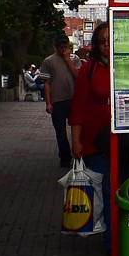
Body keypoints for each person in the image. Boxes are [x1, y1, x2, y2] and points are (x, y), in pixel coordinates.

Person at [70, 22, 114, 252]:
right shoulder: (90, 69)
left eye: (110, 40)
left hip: (125, 143)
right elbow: (78, 106)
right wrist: (75, 140)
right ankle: (111, 242)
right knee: (105, 189)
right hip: (95, 143)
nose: (107, 45)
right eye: (102, 42)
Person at [41, 34, 80, 167]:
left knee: (77, 128)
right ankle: (65, 157)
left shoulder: (74, 59)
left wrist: (68, 60)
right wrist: (48, 102)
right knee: (60, 131)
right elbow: (47, 83)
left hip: (74, 99)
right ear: (56, 46)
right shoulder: (49, 61)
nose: (63, 47)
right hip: (57, 100)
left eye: (65, 45)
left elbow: (78, 75)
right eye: (60, 45)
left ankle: (80, 153)